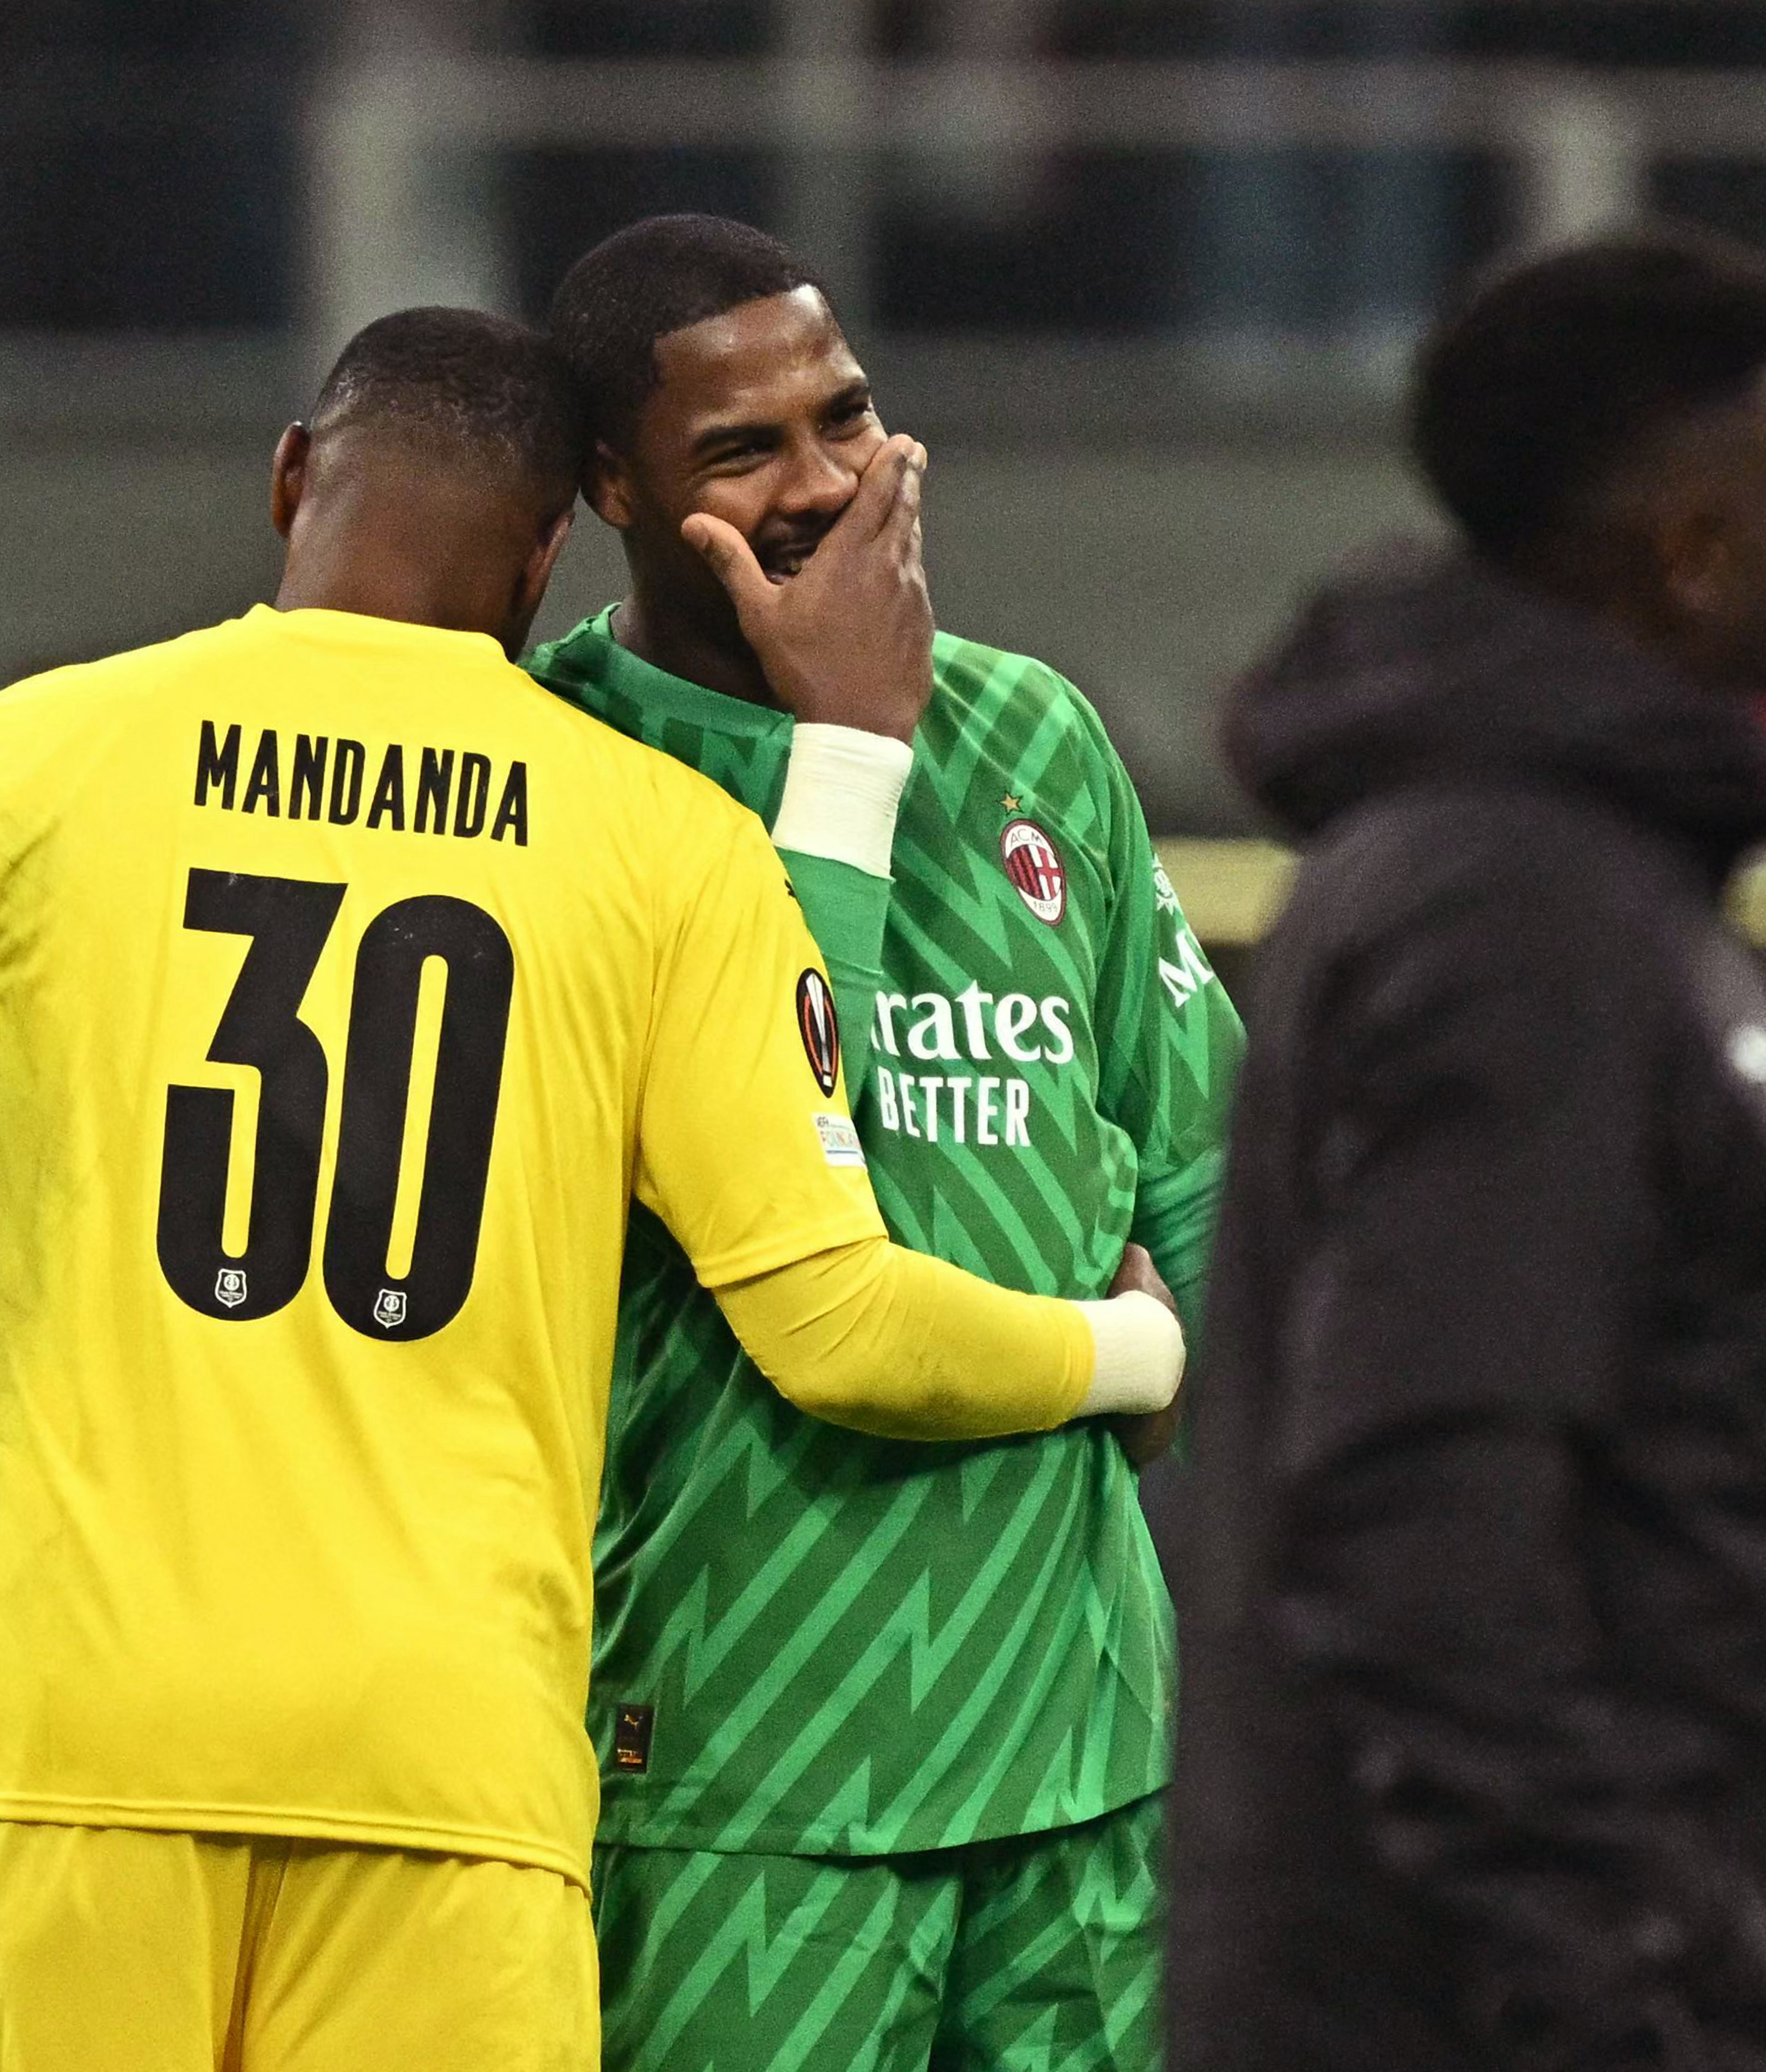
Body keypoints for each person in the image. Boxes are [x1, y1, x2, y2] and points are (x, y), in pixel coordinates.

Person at [0, 306, 1184, 2072]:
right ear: (543, 562)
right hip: (459, 1789)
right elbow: (837, 1324)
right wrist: (1134, 1346)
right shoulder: (666, 843)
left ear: (292, 475)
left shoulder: (5, 774)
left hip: (64, 1759)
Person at [1167, 231, 1766, 2072]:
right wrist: (1634, 2009)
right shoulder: (1519, 915)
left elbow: (1676, 1556)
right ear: (1692, 551)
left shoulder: (1563, 885)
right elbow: (1422, 1541)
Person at [532, 215, 1245, 2072]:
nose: (823, 482)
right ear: (611, 484)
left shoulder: (1036, 735)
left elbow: (1211, 1188)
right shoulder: (556, 772)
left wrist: (1204, 1374)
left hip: (1089, 1767)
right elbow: (763, 1152)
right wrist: (848, 735)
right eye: (741, 450)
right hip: (738, 1776)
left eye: (843, 415)